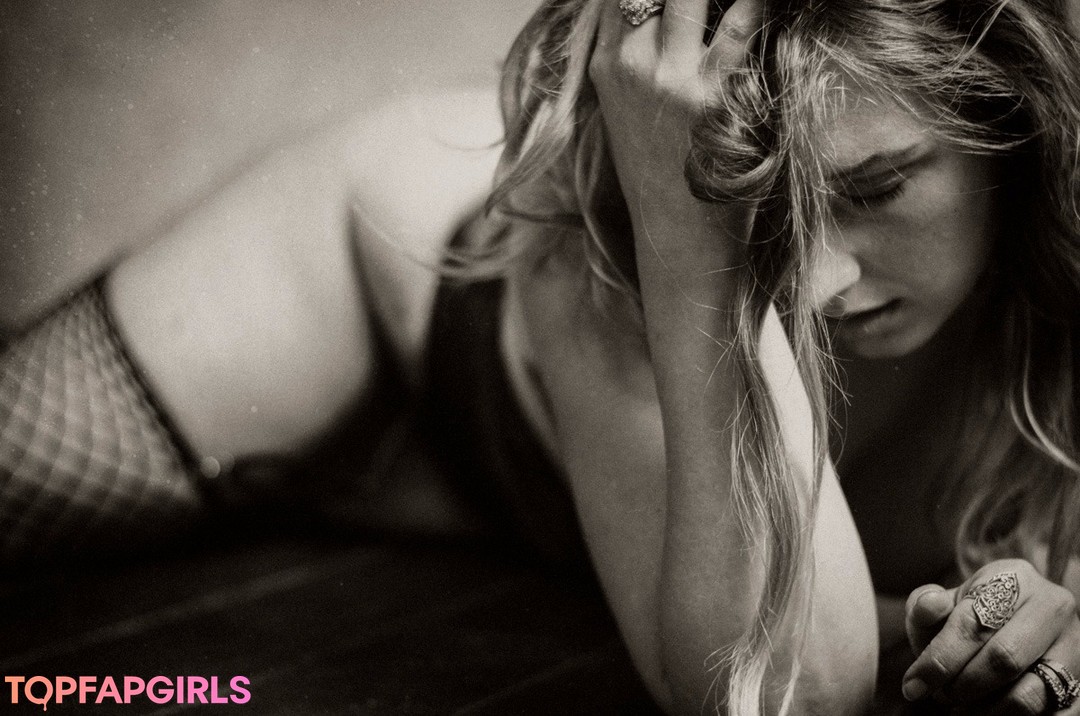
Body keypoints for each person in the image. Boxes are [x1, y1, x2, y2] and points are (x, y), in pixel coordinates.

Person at [3, 0, 1080, 713]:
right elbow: (786, 696)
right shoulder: (614, 226)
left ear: (1014, 113)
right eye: (764, 216)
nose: (813, 282)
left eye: (877, 187)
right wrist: (683, 218)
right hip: (379, 296)